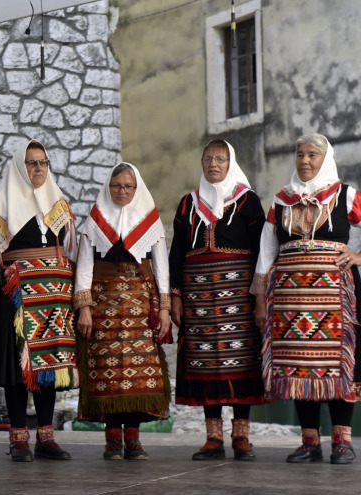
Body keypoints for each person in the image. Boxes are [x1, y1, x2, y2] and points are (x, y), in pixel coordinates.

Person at [253, 133, 361, 465]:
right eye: (299, 154)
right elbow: (266, 252)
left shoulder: (346, 196)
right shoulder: (282, 201)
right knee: (299, 370)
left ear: (325, 159)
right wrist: (259, 300)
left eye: (312, 154)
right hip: (289, 299)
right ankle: (309, 442)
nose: (304, 160)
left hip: (334, 297)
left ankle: (342, 442)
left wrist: (357, 256)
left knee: (337, 368)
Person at [0, 139, 78, 462]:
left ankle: (46, 438)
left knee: (50, 366)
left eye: (43, 163)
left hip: (55, 296)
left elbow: (71, 250)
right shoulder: (2, 203)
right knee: (18, 369)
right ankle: (19, 438)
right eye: (32, 163)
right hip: (16, 296)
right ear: (20, 167)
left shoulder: (58, 202)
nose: (38, 169)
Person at [169, 140, 266, 461]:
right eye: (208, 158)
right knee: (205, 368)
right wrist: (176, 297)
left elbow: (262, 252)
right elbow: (176, 254)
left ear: (230, 163)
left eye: (220, 159)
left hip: (239, 300)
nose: (213, 164)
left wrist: (260, 297)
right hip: (198, 304)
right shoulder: (187, 205)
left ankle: (241, 438)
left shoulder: (247, 202)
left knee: (242, 366)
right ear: (201, 162)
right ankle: (213, 439)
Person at [74, 162, 171, 461]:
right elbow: (85, 265)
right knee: (107, 370)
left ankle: (134, 439)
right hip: (102, 304)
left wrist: (164, 309)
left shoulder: (149, 219)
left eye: (129, 186)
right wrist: (85, 308)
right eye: (117, 186)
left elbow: (161, 265)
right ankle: (112, 440)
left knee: (139, 371)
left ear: (136, 188)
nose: (122, 191)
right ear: (108, 186)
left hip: (140, 304)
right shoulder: (96, 219)